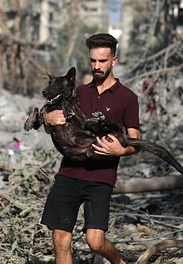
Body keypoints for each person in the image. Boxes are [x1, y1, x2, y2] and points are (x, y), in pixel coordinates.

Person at [41, 33, 139, 264]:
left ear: (114, 60)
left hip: (101, 178)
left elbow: (135, 142)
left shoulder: (127, 98)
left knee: (95, 241)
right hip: (68, 173)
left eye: (102, 61)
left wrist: (120, 151)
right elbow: (52, 124)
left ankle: (119, 262)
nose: (96, 66)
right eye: (93, 60)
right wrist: (48, 119)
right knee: (60, 238)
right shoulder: (78, 93)